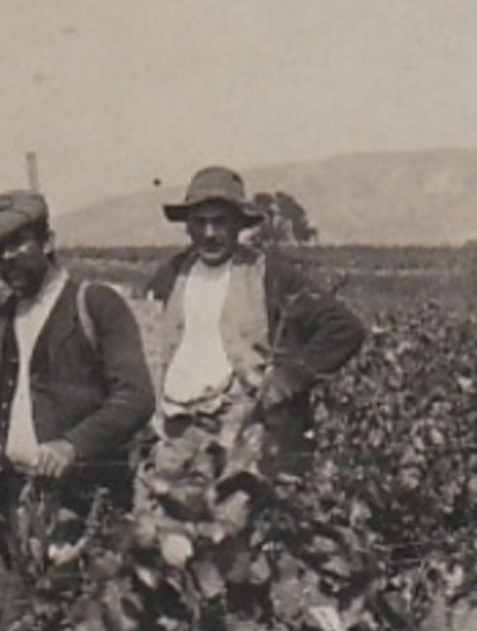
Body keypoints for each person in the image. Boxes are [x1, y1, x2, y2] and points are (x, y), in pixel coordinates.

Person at [0, 190, 156, 550]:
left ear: (48, 241)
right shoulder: (1, 321)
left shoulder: (96, 304)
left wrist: (72, 445)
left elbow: (136, 398)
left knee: (87, 602)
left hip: (87, 505)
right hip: (13, 506)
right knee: (15, 603)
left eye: (18, 243)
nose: (7, 257)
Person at [144, 166, 365, 472]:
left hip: (243, 436)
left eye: (220, 222)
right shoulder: (169, 276)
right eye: (200, 222)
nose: (209, 233)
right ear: (188, 226)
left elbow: (344, 328)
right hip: (176, 434)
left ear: (238, 224)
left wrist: (289, 378)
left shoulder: (269, 275)